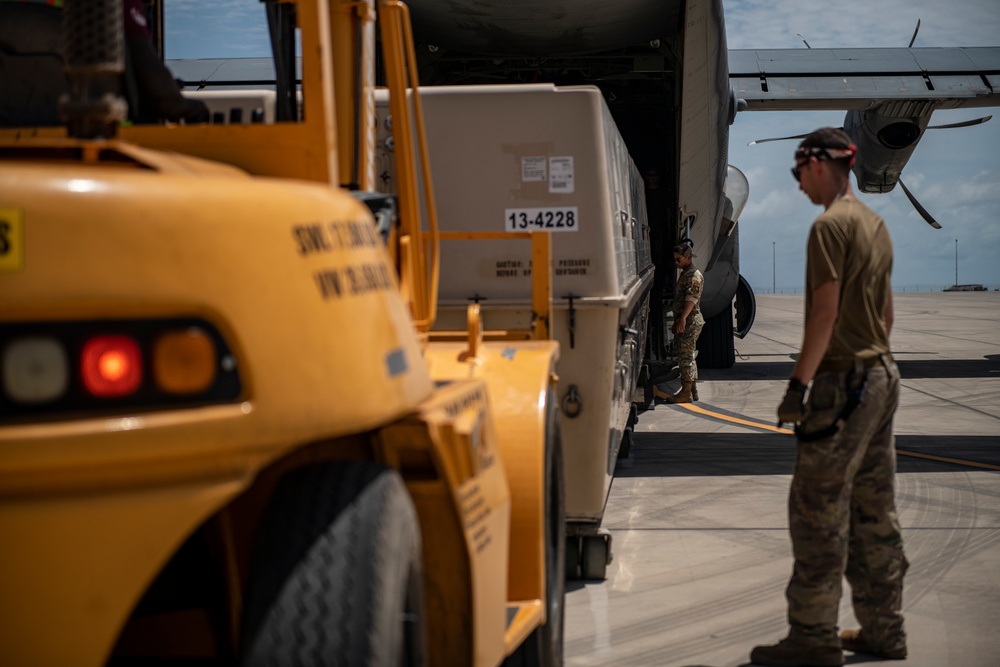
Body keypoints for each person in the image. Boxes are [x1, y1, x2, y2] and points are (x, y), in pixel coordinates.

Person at [750, 128, 907, 667]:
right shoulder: (875, 225)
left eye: (798, 175)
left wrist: (798, 386)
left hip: (844, 382)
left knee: (817, 512)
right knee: (875, 510)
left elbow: (824, 314)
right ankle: (886, 630)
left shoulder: (829, 228)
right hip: (883, 374)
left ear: (818, 164)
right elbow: (886, 317)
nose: (798, 187)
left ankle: (813, 638)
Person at [654, 239, 704, 403]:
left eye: (679, 260)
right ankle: (692, 391)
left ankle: (686, 393)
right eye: (675, 259)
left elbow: (692, 299)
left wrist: (682, 319)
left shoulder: (693, 275)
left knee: (685, 358)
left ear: (688, 258)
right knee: (688, 356)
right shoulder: (686, 273)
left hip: (689, 321)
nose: (676, 263)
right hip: (687, 320)